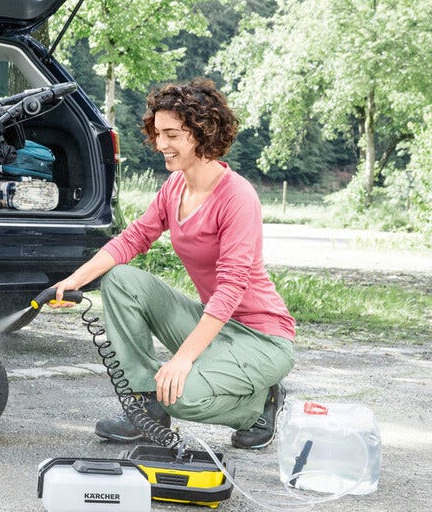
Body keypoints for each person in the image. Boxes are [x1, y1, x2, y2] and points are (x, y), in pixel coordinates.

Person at [50, 78, 294, 449]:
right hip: (217, 324)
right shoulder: (175, 187)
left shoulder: (237, 197)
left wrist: (181, 360)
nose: (160, 144)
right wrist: (74, 281)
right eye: (158, 133)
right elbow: (133, 238)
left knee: (177, 394)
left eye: (172, 135)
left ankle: (261, 406)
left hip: (261, 337)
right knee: (120, 280)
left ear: (202, 133)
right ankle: (145, 407)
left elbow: (230, 288)